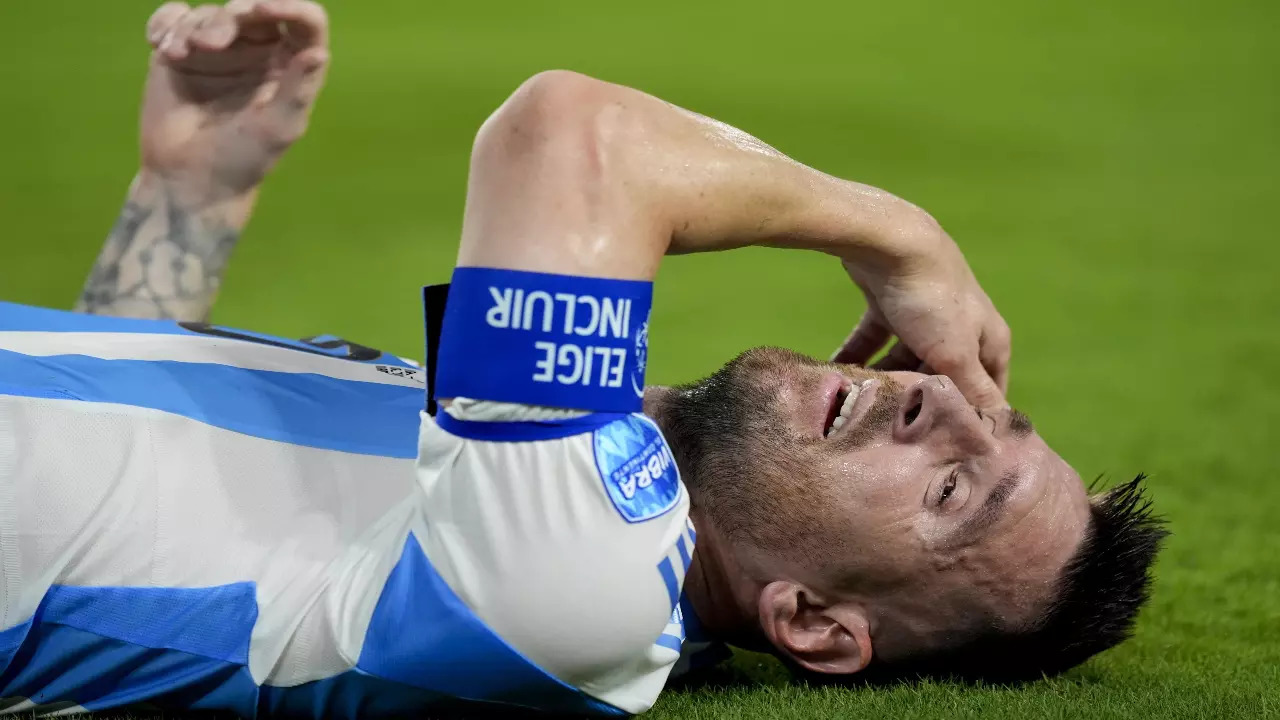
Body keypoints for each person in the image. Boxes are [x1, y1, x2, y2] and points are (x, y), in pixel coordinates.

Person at [0, 2, 1167, 717]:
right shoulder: (499, 487)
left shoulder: (590, 583)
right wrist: (194, 193)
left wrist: (896, 232)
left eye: (953, 488)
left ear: (812, 622)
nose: (935, 402)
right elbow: (123, 487)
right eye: (986, 410)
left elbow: (570, 134)